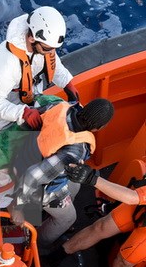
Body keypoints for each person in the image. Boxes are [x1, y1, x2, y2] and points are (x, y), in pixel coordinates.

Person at [0, 6, 79, 208]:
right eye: (47, 49)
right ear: (32, 38)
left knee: (29, 147)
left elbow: (55, 65)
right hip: (5, 114)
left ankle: (24, 178)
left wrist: (68, 84)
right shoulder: (5, 63)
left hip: (31, 104)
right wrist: (22, 113)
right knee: (1, 162)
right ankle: (2, 202)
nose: (51, 53)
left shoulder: (43, 46)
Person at [8, 98, 114, 247]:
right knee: (68, 218)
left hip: (25, 155)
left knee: (75, 186)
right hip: (32, 180)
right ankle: (36, 245)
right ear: (98, 128)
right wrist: (17, 207)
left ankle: (48, 213)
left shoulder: (60, 106)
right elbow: (33, 176)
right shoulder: (76, 149)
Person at [51, 163, 146, 267]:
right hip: (141, 206)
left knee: (121, 264)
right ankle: (58, 254)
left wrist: (92, 178)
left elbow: (132, 197)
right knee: (101, 226)